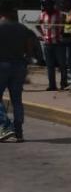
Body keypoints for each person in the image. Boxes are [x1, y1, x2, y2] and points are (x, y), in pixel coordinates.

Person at [0, 8, 36, 142]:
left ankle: (5, 127)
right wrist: (26, 61)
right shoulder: (23, 28)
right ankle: (19, 132)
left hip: (1, 65)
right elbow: (30, 48)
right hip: (18, 66)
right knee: (17, 101)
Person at [36, 0, 68, 91]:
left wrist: (62, 34)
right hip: (47, 43)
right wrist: (42, 34)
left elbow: (67, 25)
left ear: (53, 5)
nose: (47, 6)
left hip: (59, 43)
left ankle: (64, 84)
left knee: (62, 64)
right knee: (50, 66)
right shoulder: (42, 15)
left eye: (49, 4)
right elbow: (37, 24)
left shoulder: (60, 14)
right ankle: (52, 85)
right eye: (45, 5)